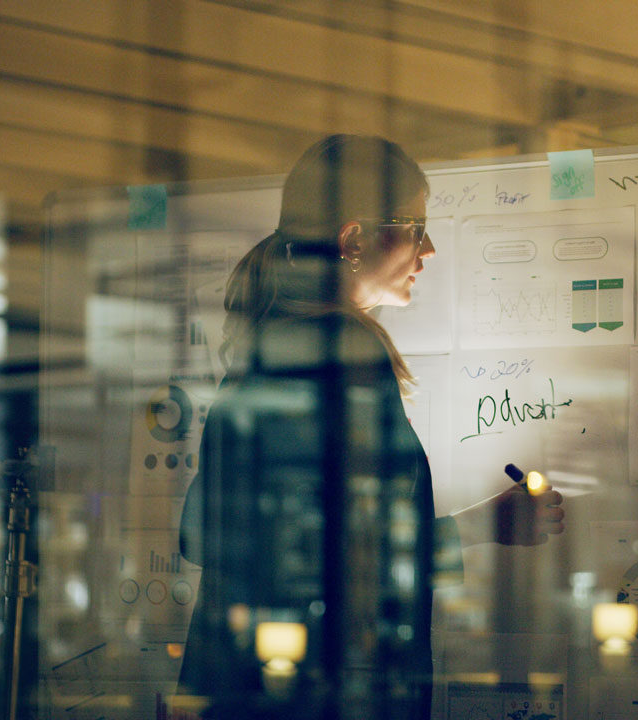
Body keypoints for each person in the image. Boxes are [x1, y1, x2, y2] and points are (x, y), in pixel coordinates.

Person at [177, 135, 564, 719]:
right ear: (353, 239)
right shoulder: (342, 351)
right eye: (414, 227)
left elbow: (205, 532)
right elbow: (350, 557)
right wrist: (490, 523)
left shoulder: (270, 346)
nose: (428, 249)